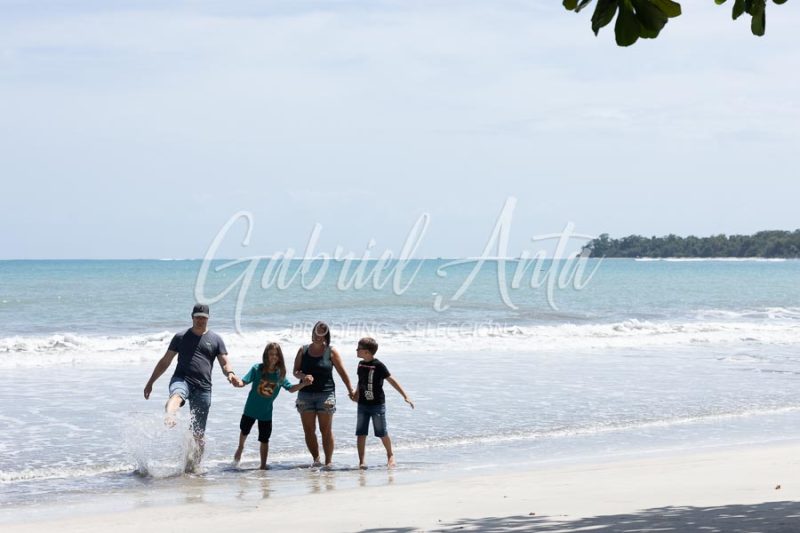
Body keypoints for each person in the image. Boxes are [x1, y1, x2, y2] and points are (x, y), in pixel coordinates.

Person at [143, 303, 236, 467]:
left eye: (203, 318)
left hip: (204, 387)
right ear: (192, 317)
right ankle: (170, 415)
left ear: (208, 319)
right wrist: (151, 382)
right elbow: (165, 361)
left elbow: (224, 362)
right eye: (197, 317)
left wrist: (230, 374)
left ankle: (193, 469)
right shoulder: (180, 337)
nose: (200, 320)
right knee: (177, 395)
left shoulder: (216, 339)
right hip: (182, 379)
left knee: (198, 434)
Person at [231, 342, 307, 469]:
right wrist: (236, 382)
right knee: (244, 431)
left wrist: (303, 384)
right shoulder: (257, 369)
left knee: (264, 439)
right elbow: (243, 382)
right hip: (250, 409)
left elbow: (290, 388)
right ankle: (240, 447)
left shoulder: (279, 374)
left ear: (279, 357)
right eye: (271, 354)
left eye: (276, 354)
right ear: (266, 355)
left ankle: (263, 466)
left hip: (266, 413)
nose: (274, 357)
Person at [293, 321, 355, 467]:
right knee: (309, 430)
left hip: (326, 395)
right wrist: (304, 376)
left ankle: (328, 463)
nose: (318, 335)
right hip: (305, 395)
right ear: (312, 332)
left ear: (326, 336)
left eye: (322, 333)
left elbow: (342, 373)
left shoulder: (331, 352)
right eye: (316, 332)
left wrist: (350, 390)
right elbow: (295, 371)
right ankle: (316, 460)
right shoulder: (303, 350)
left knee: (325, 430)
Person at [352, 337, 413, 469]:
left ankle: (390, 455)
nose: (356, 350)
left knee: (381, 432)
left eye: (358, 348)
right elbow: (361, 381)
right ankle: (361, 461)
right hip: (362, 405)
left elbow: (391, 380)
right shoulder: (360, 364)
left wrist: (405, 395)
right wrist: (356, 393)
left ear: (367, 352)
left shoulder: (378, 365)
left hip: (377, 405)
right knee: (361, 433)